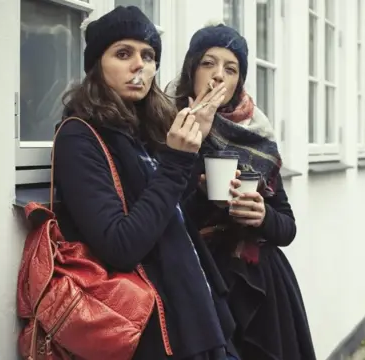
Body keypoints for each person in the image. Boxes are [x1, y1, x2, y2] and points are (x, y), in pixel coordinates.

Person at [54, 7, 239, 360]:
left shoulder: (147, 129)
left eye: (148, 55)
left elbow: (173, 220)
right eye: (123, 54)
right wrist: (175, 163)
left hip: (196, 314)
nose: (139, 65)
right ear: (97, 64)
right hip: (154, 331)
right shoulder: (80, 137)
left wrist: (195, 159)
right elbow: (120, 245)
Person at [166, 24, 316, 360]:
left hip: (262, 287)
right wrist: (197, 141)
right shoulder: (164, 123)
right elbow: (164, 220)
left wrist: (263, 216)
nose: (218, 76)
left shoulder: (255, 136)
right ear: (192, 68)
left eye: (230, 68)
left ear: (240, 80)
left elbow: (287, 228)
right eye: (208, 63)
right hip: (200, 284)